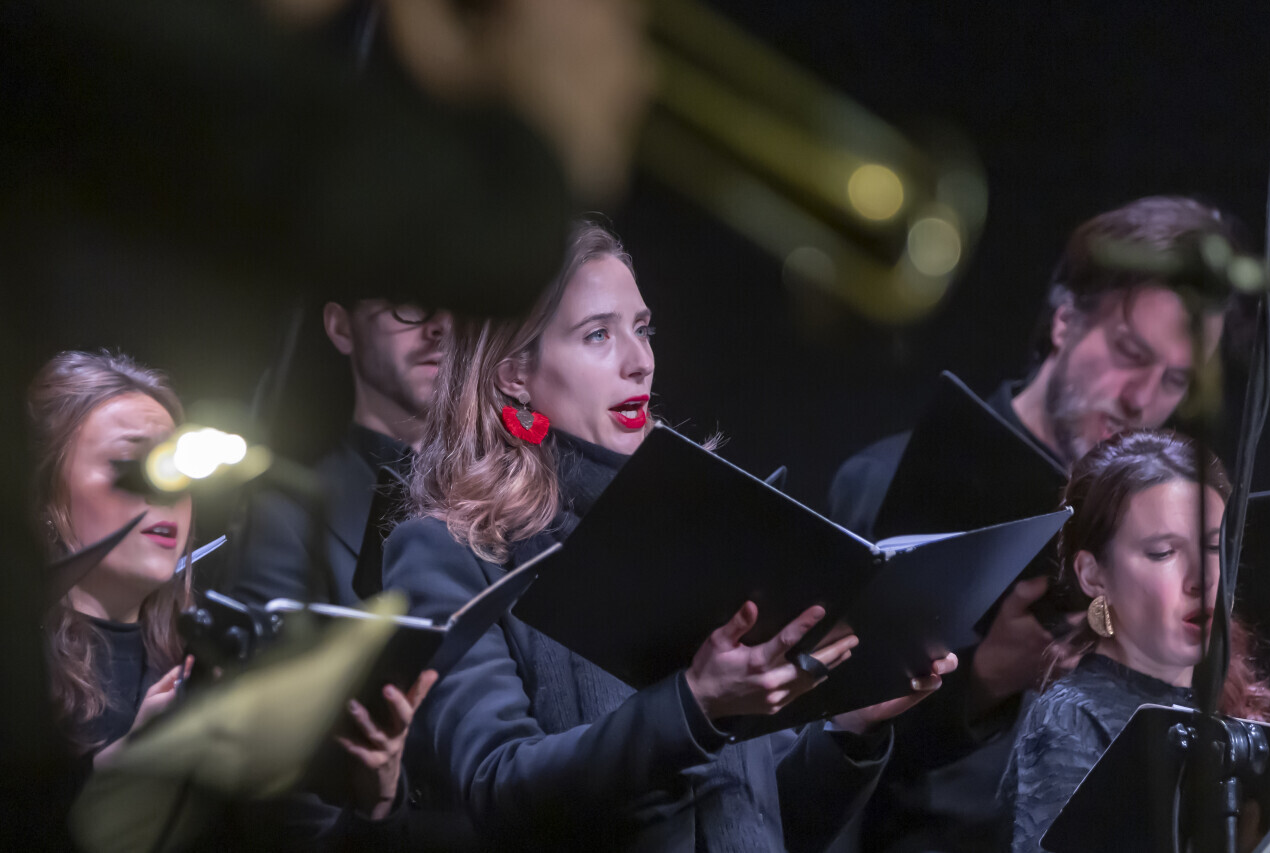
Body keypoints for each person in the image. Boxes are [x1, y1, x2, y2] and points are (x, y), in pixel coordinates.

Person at [383, 219, 958, 851]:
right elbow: (500, 788)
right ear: (514, 374)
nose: (640, 361)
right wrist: (695, 705)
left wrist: (851, 726)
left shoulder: (708, 526)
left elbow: (764, 820)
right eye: (598, 334)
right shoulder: (449, 550)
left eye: (642, 328)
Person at [827, 195, 1241, 852]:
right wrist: (984, 679)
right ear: (1065, 320)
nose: (1141, 398)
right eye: (1129, 351)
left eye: (1174, 380)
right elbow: (807, 747)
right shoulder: (888, 477)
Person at [28, 350, 429, 846]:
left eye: (178, 466)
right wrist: (123, 765)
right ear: (43, 495)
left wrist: (376, 800)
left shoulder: (217, 656)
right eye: (134, 465)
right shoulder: (20, 674)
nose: (166, 489)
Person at [1003, 430, 1270, 853]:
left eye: (1213, 547)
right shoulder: (1070, 720)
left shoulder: (1234, 701)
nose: (1203, 579)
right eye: (1163, 552)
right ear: (1093, 575)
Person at [231, 299, 452, 608]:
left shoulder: (514, 487)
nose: (443, 325)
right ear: (341, 327)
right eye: (410, 303)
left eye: (461, 308)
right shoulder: (287, 517)